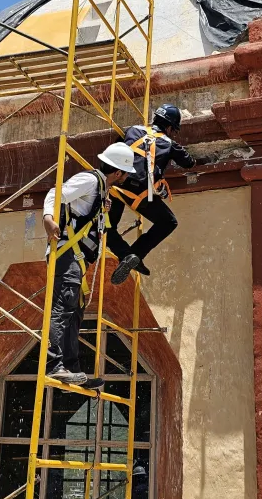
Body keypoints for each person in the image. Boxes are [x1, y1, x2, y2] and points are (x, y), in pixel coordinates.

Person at [42, 142, 137, 387]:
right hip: (67, 255)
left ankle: (71, 369)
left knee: (74, 313)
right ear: (119, 173)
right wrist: (47, 219)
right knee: (63, 308)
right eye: (127, 173)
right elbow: (56, 193)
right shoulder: (91, 181)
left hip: (79, 260)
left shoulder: (101, 191)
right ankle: (54, 366)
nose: (127, 177)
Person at [107, 104, 196, 285]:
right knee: (168, 222)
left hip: (117, 186)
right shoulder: (170, 143)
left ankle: (126, 255)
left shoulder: (133, 130)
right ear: (170, 127)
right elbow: (189, 163)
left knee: (107, 228)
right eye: (174, 130)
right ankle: (136, 254)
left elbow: (116, 147)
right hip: (141, 195)